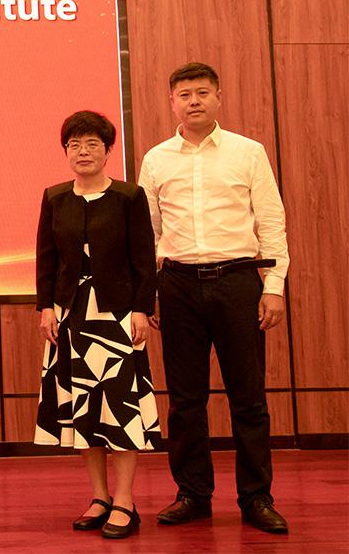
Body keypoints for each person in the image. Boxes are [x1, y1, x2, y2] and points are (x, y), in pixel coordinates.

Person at [139, 62, 290, 534]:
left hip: (238, 281)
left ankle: (256, 497)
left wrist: (274, 287)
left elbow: (272, 221)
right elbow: (147, 234)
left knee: (249, 397)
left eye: (203, 93)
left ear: (218, 97)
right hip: (177, 285)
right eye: (184, 94)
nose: (194, 101)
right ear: (172, 102)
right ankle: (193, 494)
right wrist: (149, 294)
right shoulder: (156, 159)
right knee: (186, 401)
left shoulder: (248, 152)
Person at [32, 110, 160, 539]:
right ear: (66, 151)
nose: (82, 152)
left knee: (120, 410)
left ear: (107, 151)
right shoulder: (54, 198)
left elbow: (143, 259)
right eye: (74, 145)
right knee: (84, 410)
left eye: (92, 145)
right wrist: (46, 307)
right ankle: (100, 496)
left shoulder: (128, 196)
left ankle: (125, 501)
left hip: (118, 316)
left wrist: (141, 309)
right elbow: (47, 259)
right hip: (71, 316)